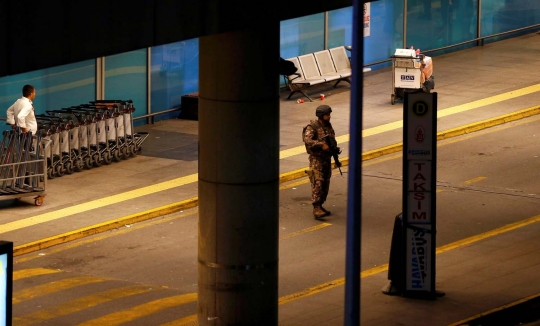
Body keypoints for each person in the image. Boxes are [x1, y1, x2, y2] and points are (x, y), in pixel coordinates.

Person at [302, 105, 339, 220]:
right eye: (327, 114)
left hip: (326, 159)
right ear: (321, 115)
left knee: (325, 183)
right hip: (316, 159)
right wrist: (321, 145)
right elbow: (308, 140)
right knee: (318, 182)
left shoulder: (328, 126)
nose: (329, 116)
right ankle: (316, 207)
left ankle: (321, 204)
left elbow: (332, 139)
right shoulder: (312, 127)